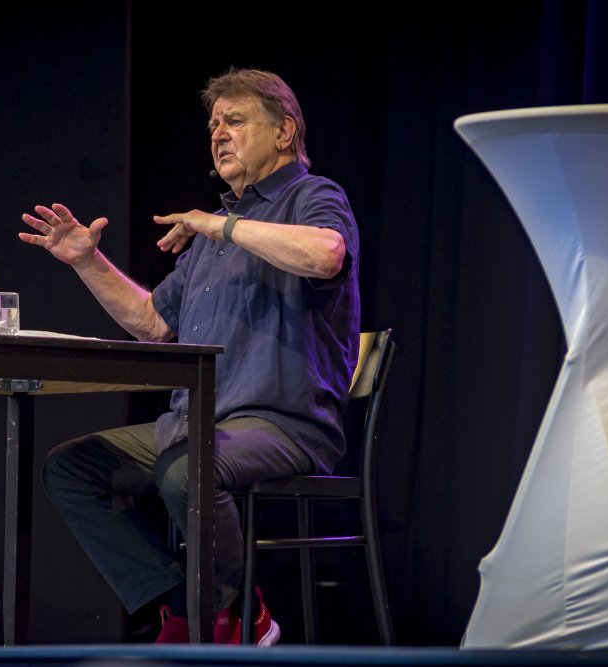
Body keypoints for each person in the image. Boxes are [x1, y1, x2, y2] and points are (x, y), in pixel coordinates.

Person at [19, 68, 359, 644]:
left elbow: (326, 255)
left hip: (284, 424)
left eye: (235, 121)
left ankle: (237, 616)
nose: (219, 134)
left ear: (284, 132)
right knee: (72, 468)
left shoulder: (311, 196)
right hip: (196, 424)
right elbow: (152, 323)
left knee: (185, 470)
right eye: (213, 126)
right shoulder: (213, 235)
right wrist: (86, 262)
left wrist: (223, 226)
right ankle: (184, 606)